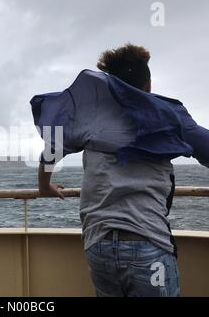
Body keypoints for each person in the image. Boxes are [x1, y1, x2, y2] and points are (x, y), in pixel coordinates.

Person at [32, 43, 209, 297]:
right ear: (148, 84)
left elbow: (51, 151)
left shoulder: (89, 119)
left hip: (98, 245)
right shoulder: (168, 116)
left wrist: (44, 187)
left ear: (109, 85)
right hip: (147, 243)